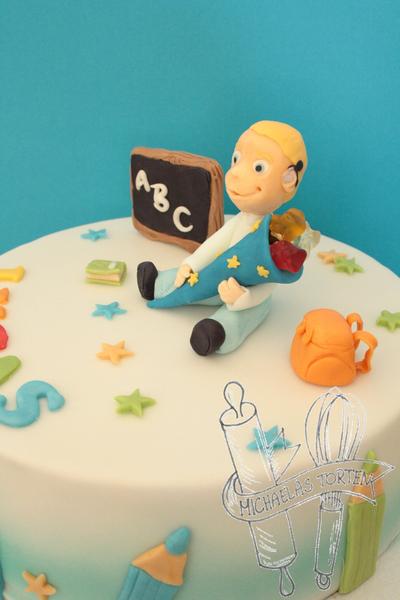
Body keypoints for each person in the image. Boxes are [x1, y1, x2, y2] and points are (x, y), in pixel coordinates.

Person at [137, 120, 314, 355]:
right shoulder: (239, 221)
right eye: (236, 160)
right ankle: (157, 283)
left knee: (241, 315)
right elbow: (215, 243)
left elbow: (269, 282)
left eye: (258, 168)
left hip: (249, 293)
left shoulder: (276, 236)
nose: (235, 174)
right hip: (217, 277)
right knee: (189, 279)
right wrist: (191, 263)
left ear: (289, 179)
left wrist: (244, 298)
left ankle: (217, 334)